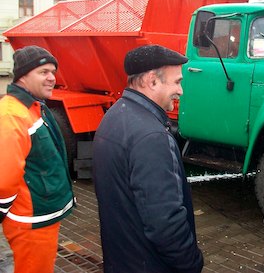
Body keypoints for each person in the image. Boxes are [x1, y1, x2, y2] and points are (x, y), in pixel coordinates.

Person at [92, 44, 204, 273]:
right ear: (152, 81)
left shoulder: (115, 115)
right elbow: (165, 223)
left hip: (123, 259)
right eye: (177, 82)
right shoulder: (151, 136)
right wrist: (191, 263)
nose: (181, 91)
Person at [0, 45, 75, 273]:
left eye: (53, 71)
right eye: (43, 72)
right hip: (29, 220)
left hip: (40, 215)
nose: (52, 78)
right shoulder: (12, 114)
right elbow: (4, 181)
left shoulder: (33, 106)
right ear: (23, 75)